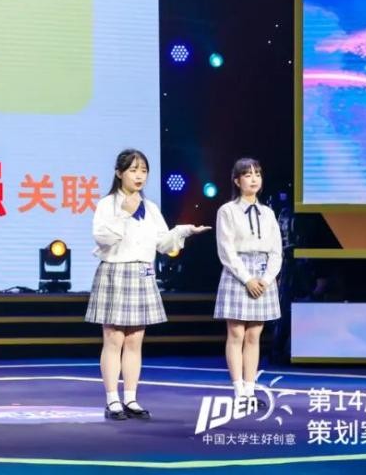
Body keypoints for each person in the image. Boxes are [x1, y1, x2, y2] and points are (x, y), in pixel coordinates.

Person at [87, 148, 210, 420]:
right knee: (114, 339)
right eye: (133, 170)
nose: (139, 175)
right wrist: (124, 213)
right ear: (119, 173)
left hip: (142, 273)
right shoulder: (108, 204)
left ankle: (131, 398)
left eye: (143, 170)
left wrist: (184, 231)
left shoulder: (150, 208)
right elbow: (102, 238)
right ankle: (112, 400)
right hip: (116, 272)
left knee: (134, 341)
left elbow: (163, 244)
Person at [213, 158, 282, 404]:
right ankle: (238, 389)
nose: (254, 179)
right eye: (248, 174)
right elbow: (226, 250)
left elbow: (276, 251)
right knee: (236, 333)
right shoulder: (227, 211)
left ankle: (250, 389)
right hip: (238, 273)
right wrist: (247, 279)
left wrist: (266, 279)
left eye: (257, 174)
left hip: (263, 274)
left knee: (254, 335)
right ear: (237, 180)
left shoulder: (268, 213)